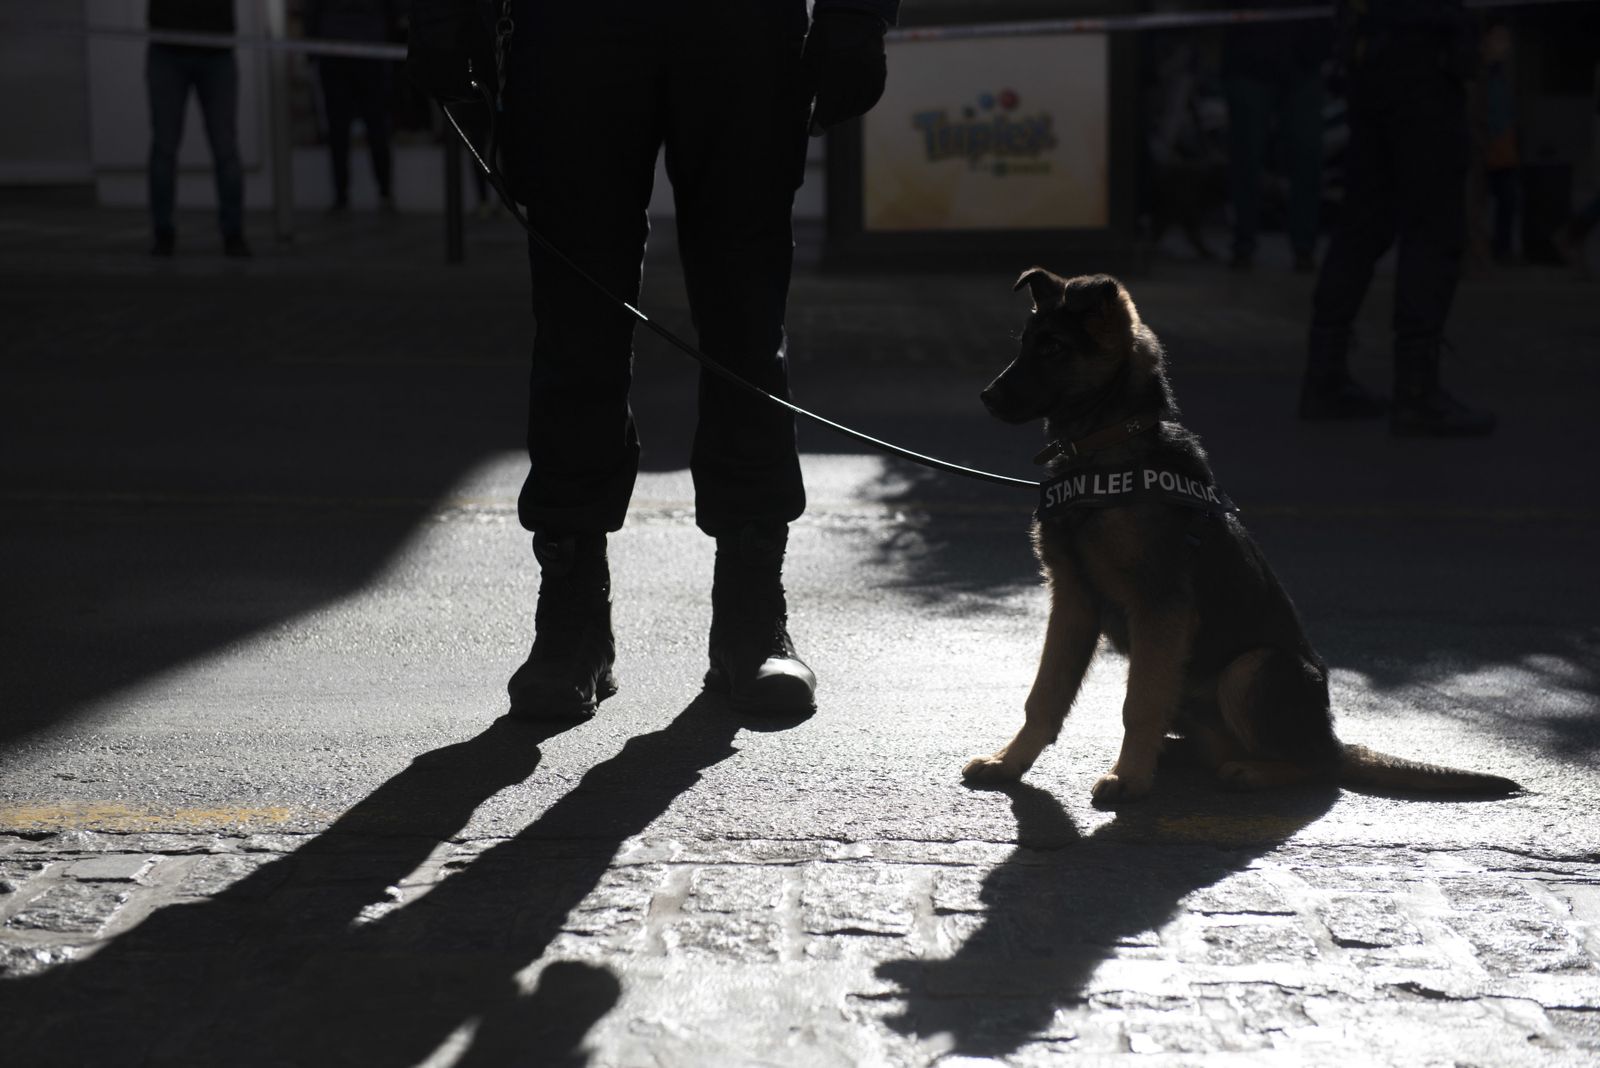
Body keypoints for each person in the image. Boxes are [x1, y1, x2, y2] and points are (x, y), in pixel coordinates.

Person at [407, 0, 898, 718]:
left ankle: (751, 608)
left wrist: (857, 16)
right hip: (575, 24)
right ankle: (573, 614)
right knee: (576, 324)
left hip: (740, 22)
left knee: (746, 324)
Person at [1299, 0, 1495, 436]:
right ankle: (1416, 391)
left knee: (1361, 226)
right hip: (1424, 63)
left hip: (1372, 61)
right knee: (1432, 229)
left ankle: (1324, 375)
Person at [1221, 5, 1331, 272]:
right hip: (1250, 59)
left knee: (1306, 156)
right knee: (1246, 158)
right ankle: (1244, 243)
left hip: (1302, 58)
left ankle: (1303, 247)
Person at [145, 0, 250, 257]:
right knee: (164, 148)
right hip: (168, 46)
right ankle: (163, 233)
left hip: (215, 49)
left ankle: (233, 233)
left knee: (225, 149)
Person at [307, 0, 400, 213]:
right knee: (373, 125)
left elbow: (312, 10)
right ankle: (382, 192)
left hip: (340, 45)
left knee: (344, 127)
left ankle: (345, 195)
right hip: (365, 45)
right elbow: (393, 10)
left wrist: (312, 48)